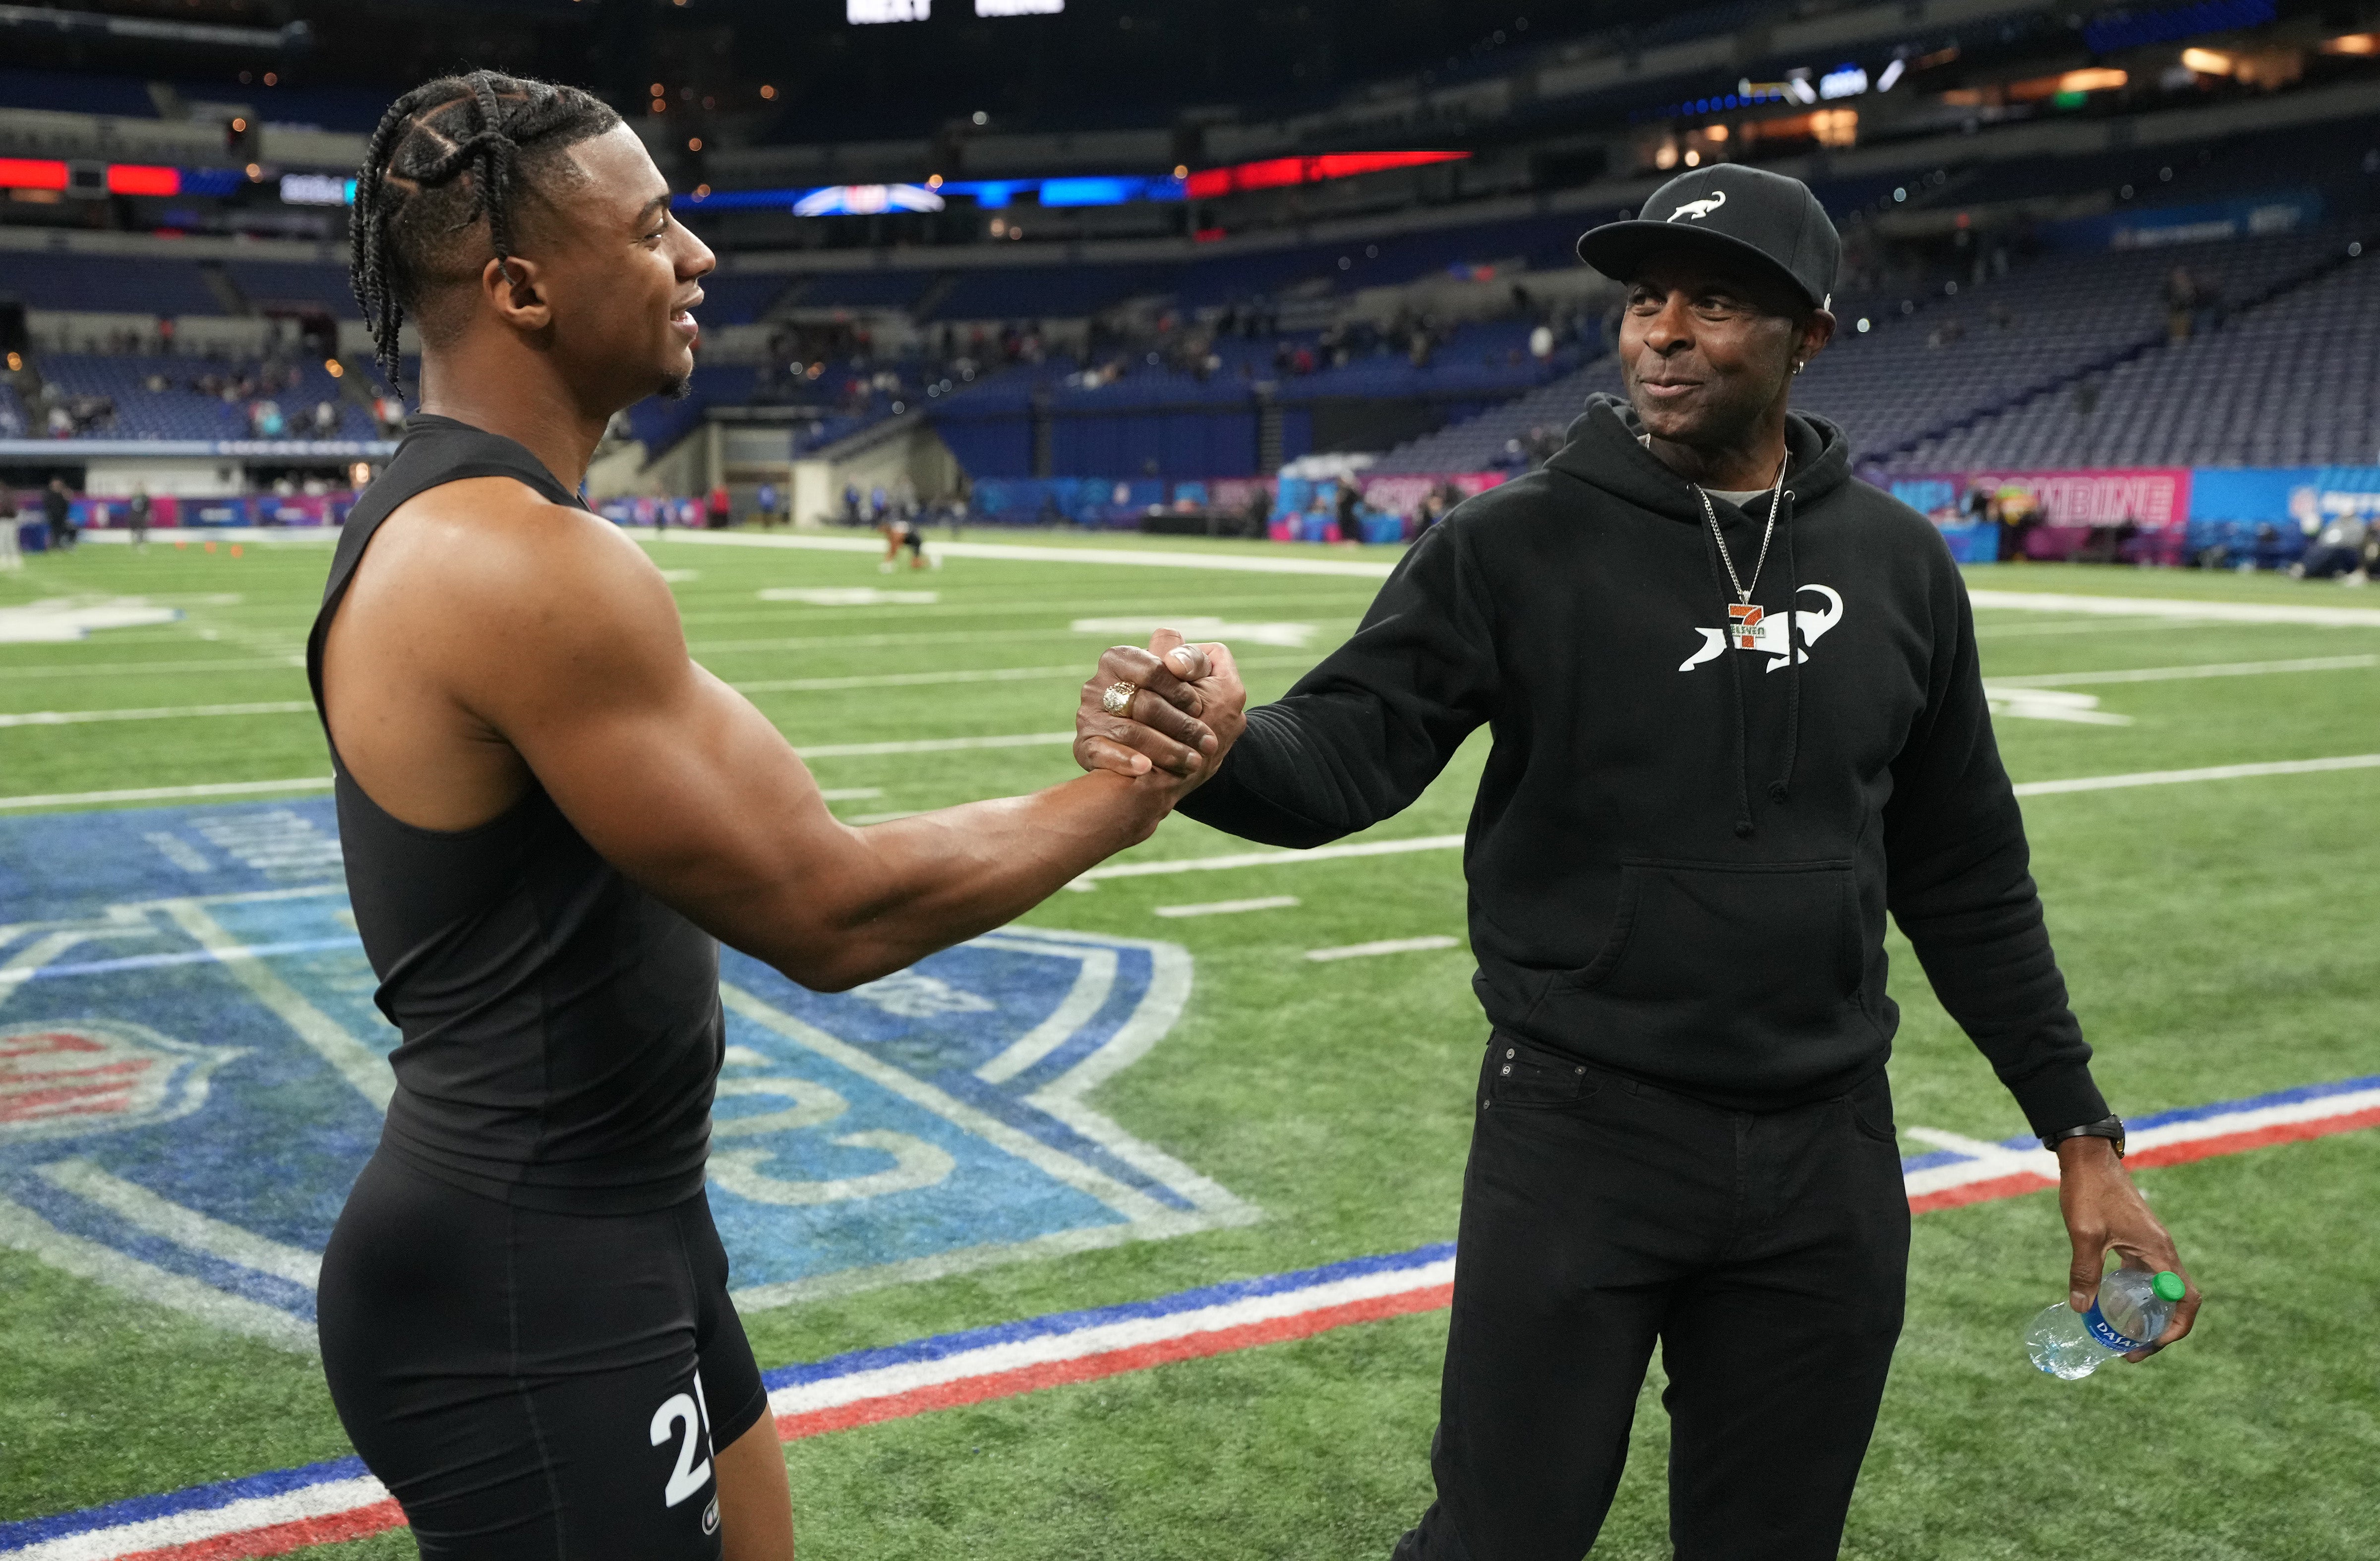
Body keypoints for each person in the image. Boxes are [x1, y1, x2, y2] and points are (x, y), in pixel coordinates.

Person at [1077, 162, 2197, 1561]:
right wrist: (1217, 747)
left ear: (1810, 334)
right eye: (1646, 299)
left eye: (1715, 302)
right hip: (1581, 1131)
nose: (1663, 331)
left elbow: (1966, 866)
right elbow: (1344, 756)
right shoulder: (1512, 544)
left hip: (1826, 1152)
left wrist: (2079, 1131)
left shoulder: (1904, 566)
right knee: (1504, 1534)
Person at [319, 70, 1242, 1561]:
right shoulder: (506, 557)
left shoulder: (496, 527)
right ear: (518, 286)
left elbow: (794, 839)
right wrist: (1131, 793)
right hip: (525, 1270)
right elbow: (830, 905)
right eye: (654, 225)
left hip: (624, 1229)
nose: (698, 258)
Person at [41, 477, 73, 550]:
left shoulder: (63, 494)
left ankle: (59, 545)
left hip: (61, 517)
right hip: (52, 517)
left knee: (61, 531)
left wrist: (67, 498)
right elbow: (47, 505)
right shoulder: (49, 494)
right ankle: (53, 545)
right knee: (54, 532)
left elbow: (66, 506)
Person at [127, 482, 151, 553]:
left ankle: (140, 545)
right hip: (134, 516)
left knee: (141, 531)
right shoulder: (134, 497)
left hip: (140, 517)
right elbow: (133, 493)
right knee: (134, 531)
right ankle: (134, 545)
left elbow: (146, 500)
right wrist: (137, 487)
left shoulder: (144, 497)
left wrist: (142, 487)